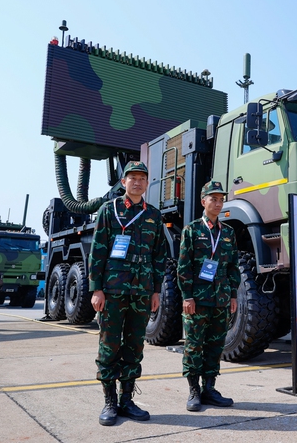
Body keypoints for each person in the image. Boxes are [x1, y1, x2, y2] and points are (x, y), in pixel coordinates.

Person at [88, 161, 165, 426]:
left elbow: (159, 257)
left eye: (142, 178)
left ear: (147, 183)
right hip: (113, 290)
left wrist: (156, 291)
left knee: (134, 346)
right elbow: (97, 251)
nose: (137, 182)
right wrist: (96, 289)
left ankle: (127, 400)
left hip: (142, 292)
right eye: (132, 177)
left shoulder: (154, 215)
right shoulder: (108, 211)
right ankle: (110, 401)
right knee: (109, 345)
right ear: (123, 182)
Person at [177, 180, 240, 412]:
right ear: (203, 201)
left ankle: (210, 388)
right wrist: (187, 296)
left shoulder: (229, 233)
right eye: (213, 199)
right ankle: (194, 390)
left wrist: (233, 295)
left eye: (221, 199)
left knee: (215, 345)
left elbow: (233, 267)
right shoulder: (192, 230)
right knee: (194, 345)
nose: (218, 203)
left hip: (221, 299)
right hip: (198, 299)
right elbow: (183, 266)